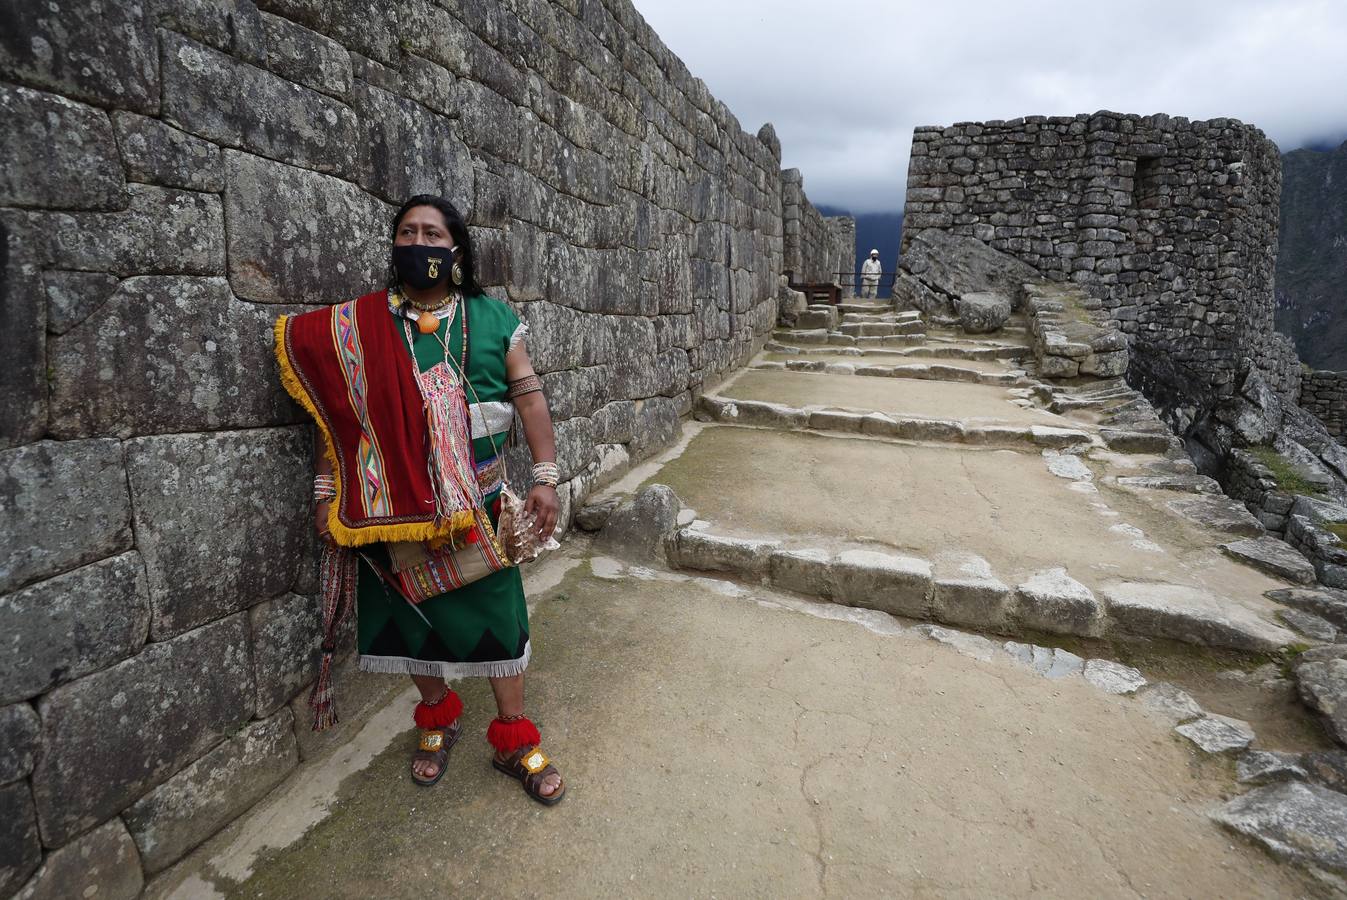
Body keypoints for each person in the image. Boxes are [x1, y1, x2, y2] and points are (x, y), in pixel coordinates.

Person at [274, 194, 566, 804]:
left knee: (500, 622)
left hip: (476, 507)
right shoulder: (358, 330)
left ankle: (513, 738)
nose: (419, 243)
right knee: (413, 622)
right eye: (407, 232)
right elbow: (341, 415)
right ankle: (436, 719)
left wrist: (544, 474)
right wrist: (328, 487)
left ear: (455, 250)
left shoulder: (491, 320)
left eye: (432, 233)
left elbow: (530, 399)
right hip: (389, 510)